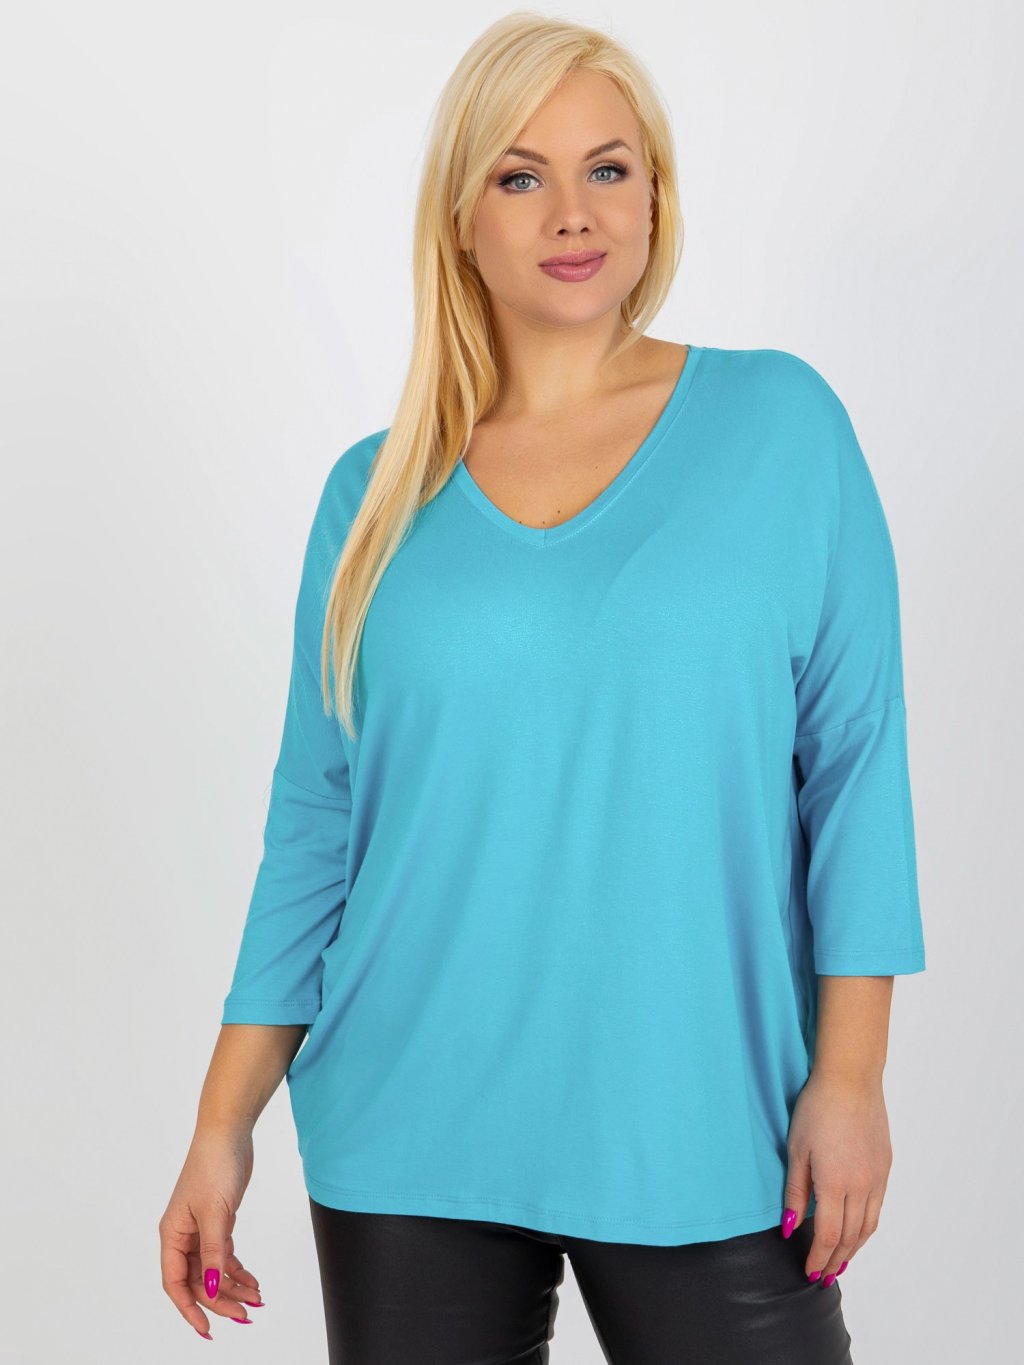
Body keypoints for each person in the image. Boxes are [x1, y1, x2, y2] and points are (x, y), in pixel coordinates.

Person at [159, 13, 927, 1363]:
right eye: (521, 176)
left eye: (608, 169)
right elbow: (317, 826)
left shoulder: (782, 426)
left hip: (707, 1117)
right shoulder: (373, 496)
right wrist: (223, 1121)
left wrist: (852, 1073)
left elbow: (856, 765)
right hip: (409, 1127)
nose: (573, 212)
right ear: (463, 218)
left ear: (655, 196)